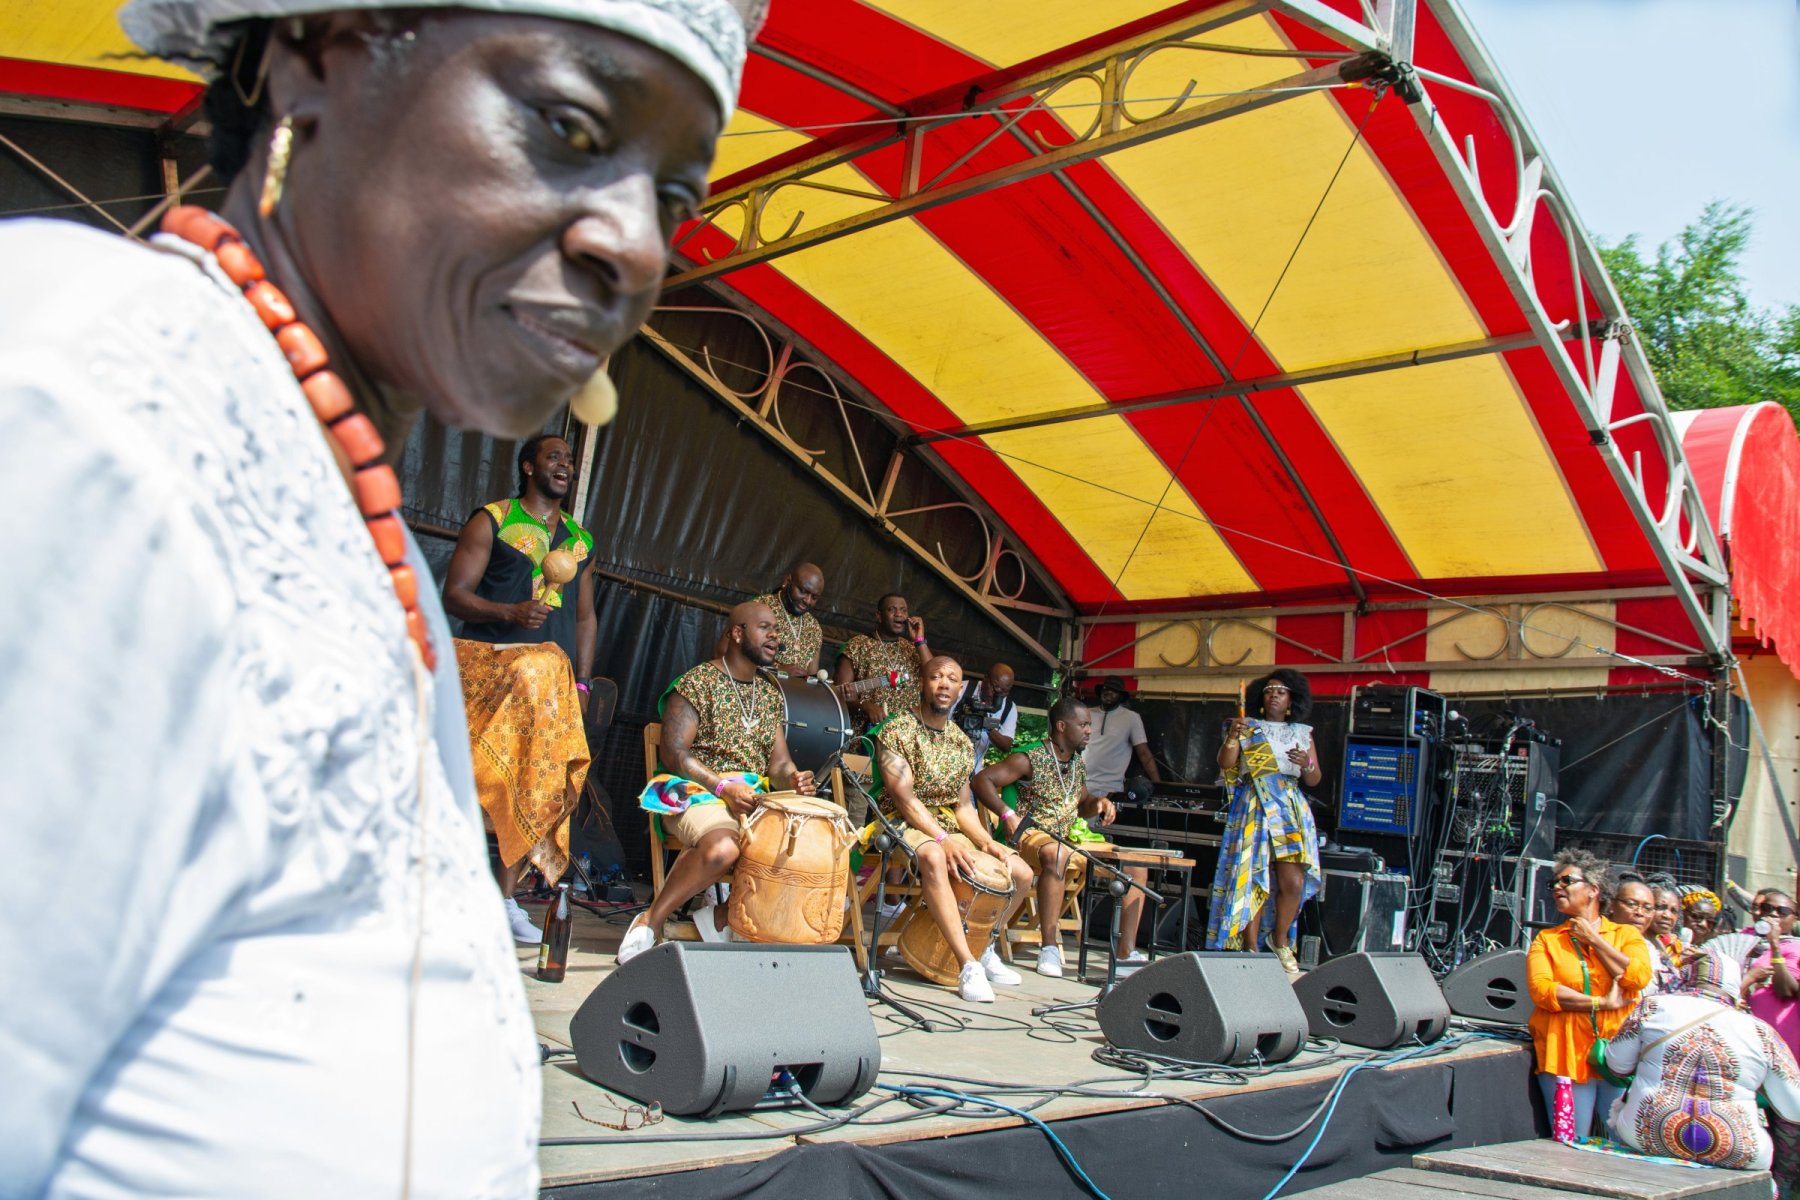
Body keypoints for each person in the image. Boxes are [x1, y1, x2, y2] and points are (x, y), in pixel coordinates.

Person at [0, 0, 755, 1192]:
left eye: (673, 198)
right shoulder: (84, 400)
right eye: (567, 125)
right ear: (318, 54)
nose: (639, 247)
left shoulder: (352, 512)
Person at [443, 432, 596, 943]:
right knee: (476, 788)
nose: (565, 465)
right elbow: (454, 595)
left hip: (546, 689)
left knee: (535, 785)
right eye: (554, 457)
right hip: (489, 675)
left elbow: (585, 617)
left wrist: (582, 684)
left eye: (569, 459)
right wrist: (508, 612)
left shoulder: (579, 542)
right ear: (528, 466)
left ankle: (502, 900)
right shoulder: (493, 520)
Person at [620, 601, 816, 965]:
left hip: (750, 800)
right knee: (724, 848)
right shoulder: (698, 682)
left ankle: (721, 917)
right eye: (764, 627)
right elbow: (674, 753)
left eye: (776, 629)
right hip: (695, 793)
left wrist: (793, 777)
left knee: (805, 849)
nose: (775, 635)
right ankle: (651, 921)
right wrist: (723, 787)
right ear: (737, 633)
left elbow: (778, 763)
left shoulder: (770, 694)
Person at [872, 656, 1035, 1002]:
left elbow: (963, 807)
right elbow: (904, 799)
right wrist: (943, 839)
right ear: (923, 682)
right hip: (900, 820)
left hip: (947, 823)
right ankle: (967, 966)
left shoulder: (961, 742)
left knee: (1020, 872)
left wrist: (987, 843)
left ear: (960, 690)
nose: (943, 684)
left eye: (951, 679)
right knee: (934, 856)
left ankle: (984, 947)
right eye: (936, 677)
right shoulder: (896, 729)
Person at [972, 697, 1151, 976]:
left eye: (1089, 725)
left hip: (1066, 838)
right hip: (1030, 835)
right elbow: (981, 779)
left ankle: (1125, 954)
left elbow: (1082, 804)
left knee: (1135, 865)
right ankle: (1049, 948)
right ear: (1061, 726)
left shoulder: (1076, 763)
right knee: (1056, 853)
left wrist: (1099, 803)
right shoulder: (1028, 758)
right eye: (1083, 725)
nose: (1089, 730)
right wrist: (1006, 814)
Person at [1605, 948, 1800, 1171]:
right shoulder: (1761, 1032)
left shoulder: (1653, 1007)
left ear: (1689, 976)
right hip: (1737, 1148)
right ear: (1735, 985)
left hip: (1645, 1133)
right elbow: (1794, 1109)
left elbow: (1616, 1064)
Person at [1526, 850, 1654, 1140]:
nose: (1557, 887)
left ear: (1593, 889)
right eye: (1554, 883)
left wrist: (1594, 940)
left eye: (1566, 881)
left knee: (1623, 1143)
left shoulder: (1626, 935)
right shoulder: (1547, 940)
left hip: (1617, 1057)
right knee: (1571, 1144)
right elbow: (1542, 991)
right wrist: (1601, 1003)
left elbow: (1637, 977)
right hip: (1566, 1055)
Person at [1208, 669, 1323, 979]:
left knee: (1293, 881)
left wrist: (1307, 764)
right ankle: (1250, 947)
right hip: (1255, 803)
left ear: (1291, 701)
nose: (1274, 695)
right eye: (1270, 690)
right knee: (1253, 876)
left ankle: (1279, 940)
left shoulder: (1302, 732)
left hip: (1288, 806)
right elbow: (1225, 764)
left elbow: (1314, 779)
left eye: (1281, 691)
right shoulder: (1246, 726)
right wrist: (1233, 737)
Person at [1741, 890, 1800, 1197]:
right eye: (1766, 909)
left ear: (1794, 918)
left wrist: (1776, 947)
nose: (1772, 915)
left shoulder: (1796, 949)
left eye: (1781, 911)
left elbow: (1787, 989)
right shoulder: (1746, 945)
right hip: (1751, 1060)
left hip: (1789, 1063)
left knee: (1788, 1139)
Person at [715, 562, 826, 676]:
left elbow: (812, 674)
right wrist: (776, 670)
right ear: (787, 581)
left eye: (814, 597)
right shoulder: (758, 607)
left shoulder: (814, 627)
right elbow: (721, 653)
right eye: (803, 591)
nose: (807, 600)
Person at [836, 592, 931, 725]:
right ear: (879, 616)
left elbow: (934, 673)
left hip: (906, 731)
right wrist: (864, 705)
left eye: (903, 610)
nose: (899, 614)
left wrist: (919, 640)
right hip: (867, 731)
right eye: (892, 609)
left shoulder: (912, 648)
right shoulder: (857, 645)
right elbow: (838, 694)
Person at [1083, 676, 1162, 799]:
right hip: (1081, 785)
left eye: (1114, 690)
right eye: (1106, 688)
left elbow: (1143, 753)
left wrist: (1158, 786)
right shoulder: (1086, 714)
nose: (1108, 692)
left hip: (1110, 789)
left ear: (1121, 696)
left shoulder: (1131, 718)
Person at [953, 661, 1018, 767]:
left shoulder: (1009, 707)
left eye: (1003, 692)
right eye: (994, 687)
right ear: (985, 678)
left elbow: (1006, 746)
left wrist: (986, 723)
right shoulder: (961, 689)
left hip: (973, 769)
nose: (996, 694)